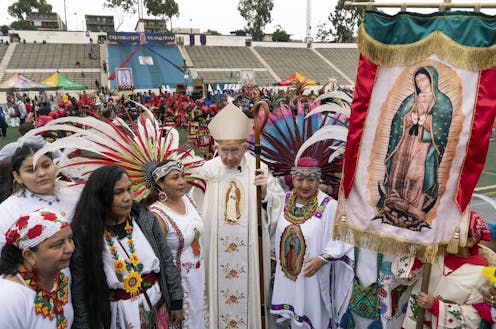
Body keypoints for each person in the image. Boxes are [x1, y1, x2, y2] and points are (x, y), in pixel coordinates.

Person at [190, 103, 285, 329]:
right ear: (217, 147)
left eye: (236, 150)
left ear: (245, 147)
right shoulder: (208, 170)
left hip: (251, 253)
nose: (230, 157)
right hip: (215, 250)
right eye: (225, 151)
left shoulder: (257, 167)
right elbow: (194, 209)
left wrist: (265, 195)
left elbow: (277, 204)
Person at [70, 165, 184, 329]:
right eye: (118, 192)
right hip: (117, 315)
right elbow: (79, 289)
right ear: (100, 196)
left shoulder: (144, 220)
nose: (127, 197)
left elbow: (166, 260)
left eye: (129, 189)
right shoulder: (85, 235)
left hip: (156, 304)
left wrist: (176, 300)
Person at [271, 157, 354, 329]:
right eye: (300, 179)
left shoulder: (329, 206)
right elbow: (271, 229)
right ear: (292, 179)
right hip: (289, 276)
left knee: (314, 318)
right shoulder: (284, 200)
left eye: (311, 180)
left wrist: (322, 259)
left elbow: (342, 237)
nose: (305, 185)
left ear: (319, 180)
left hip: (313, 277)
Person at [377, 66, 453, 231]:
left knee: (416, 174)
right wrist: (408, 119)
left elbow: (443, 126)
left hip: (424, 145)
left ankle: (414, 205)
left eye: (423, 80)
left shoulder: (442, 101)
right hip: (406, 142)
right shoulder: (411, 99)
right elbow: (397, 120)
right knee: (399, 170)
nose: (420, 83)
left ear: (432, 80)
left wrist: (427, 121)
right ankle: (395, 201)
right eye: (418, 81)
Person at [392, 211, 494, 328]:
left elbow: (474, 318)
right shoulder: (434, 252)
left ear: (471, 241)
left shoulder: (481, 273)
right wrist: (418, 256)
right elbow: (402, 278)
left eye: (454, 231)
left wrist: (435, 306)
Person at [145, 159, 207, 328]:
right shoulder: (157, 214)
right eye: (175, 178)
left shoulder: (188, 199)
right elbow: (160, 261)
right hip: (179, 285)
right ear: (160, 183)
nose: (182, 182)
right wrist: (174, 300)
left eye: (183, 176)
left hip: (199, 279)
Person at [0, 208, 75, 329]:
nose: (70, 248)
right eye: (58, 244)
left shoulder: (61, 275)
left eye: (70, 239)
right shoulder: (8, 298)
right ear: (29, 256)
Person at [0, 143, 81, 250]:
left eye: (46, 165)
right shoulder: (8, 211)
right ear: (17, 176)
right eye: (31, 170)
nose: (41, 173)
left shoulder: (76, 191)